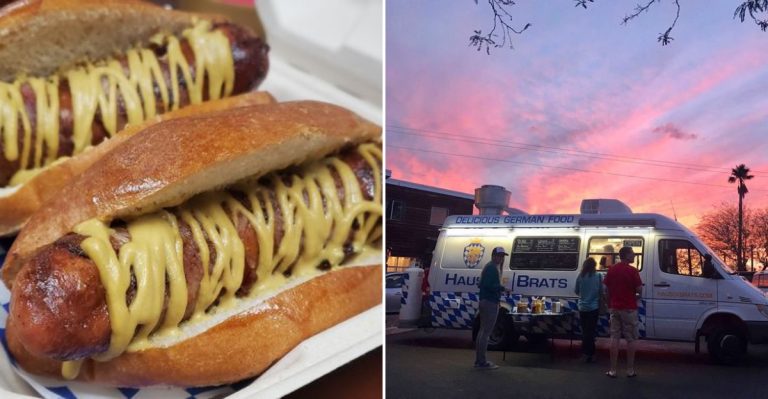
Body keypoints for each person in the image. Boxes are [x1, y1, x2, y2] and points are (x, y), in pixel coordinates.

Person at [603, 246, 643, 378]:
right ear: (626, 255)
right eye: (632, 254)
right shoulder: (633, 271)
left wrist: (610, 304)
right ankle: (630, 370)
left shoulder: (612, 269)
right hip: (629, 309)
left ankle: (612, 370)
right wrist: (636, 296)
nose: (634, 256)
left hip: (615, 308)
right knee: (630, 339)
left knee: (614, 338)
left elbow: (607, 290)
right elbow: (639, 290)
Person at [475, 246, 507, 370]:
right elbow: (490, 285)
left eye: (502, 256)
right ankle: (482, 361)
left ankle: (479, 360)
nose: (500, 258)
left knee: (482, 331)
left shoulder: (489, 267)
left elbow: (481, 283)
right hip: (490, 302)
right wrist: (503, 288)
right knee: (486, 332)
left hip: (485, 300)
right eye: (499, 256)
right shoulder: (492, 268)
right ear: (493, 256)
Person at [574, 258, 602, 363]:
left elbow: (576, 291)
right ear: (594, 266)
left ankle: (587, 353)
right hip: (593, 308)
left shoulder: (580, 276)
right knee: (590, 331)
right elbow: (601, 291)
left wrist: (584, 296)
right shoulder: (598, 276)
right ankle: (589, 354)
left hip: (582, 307)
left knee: (585, 331)